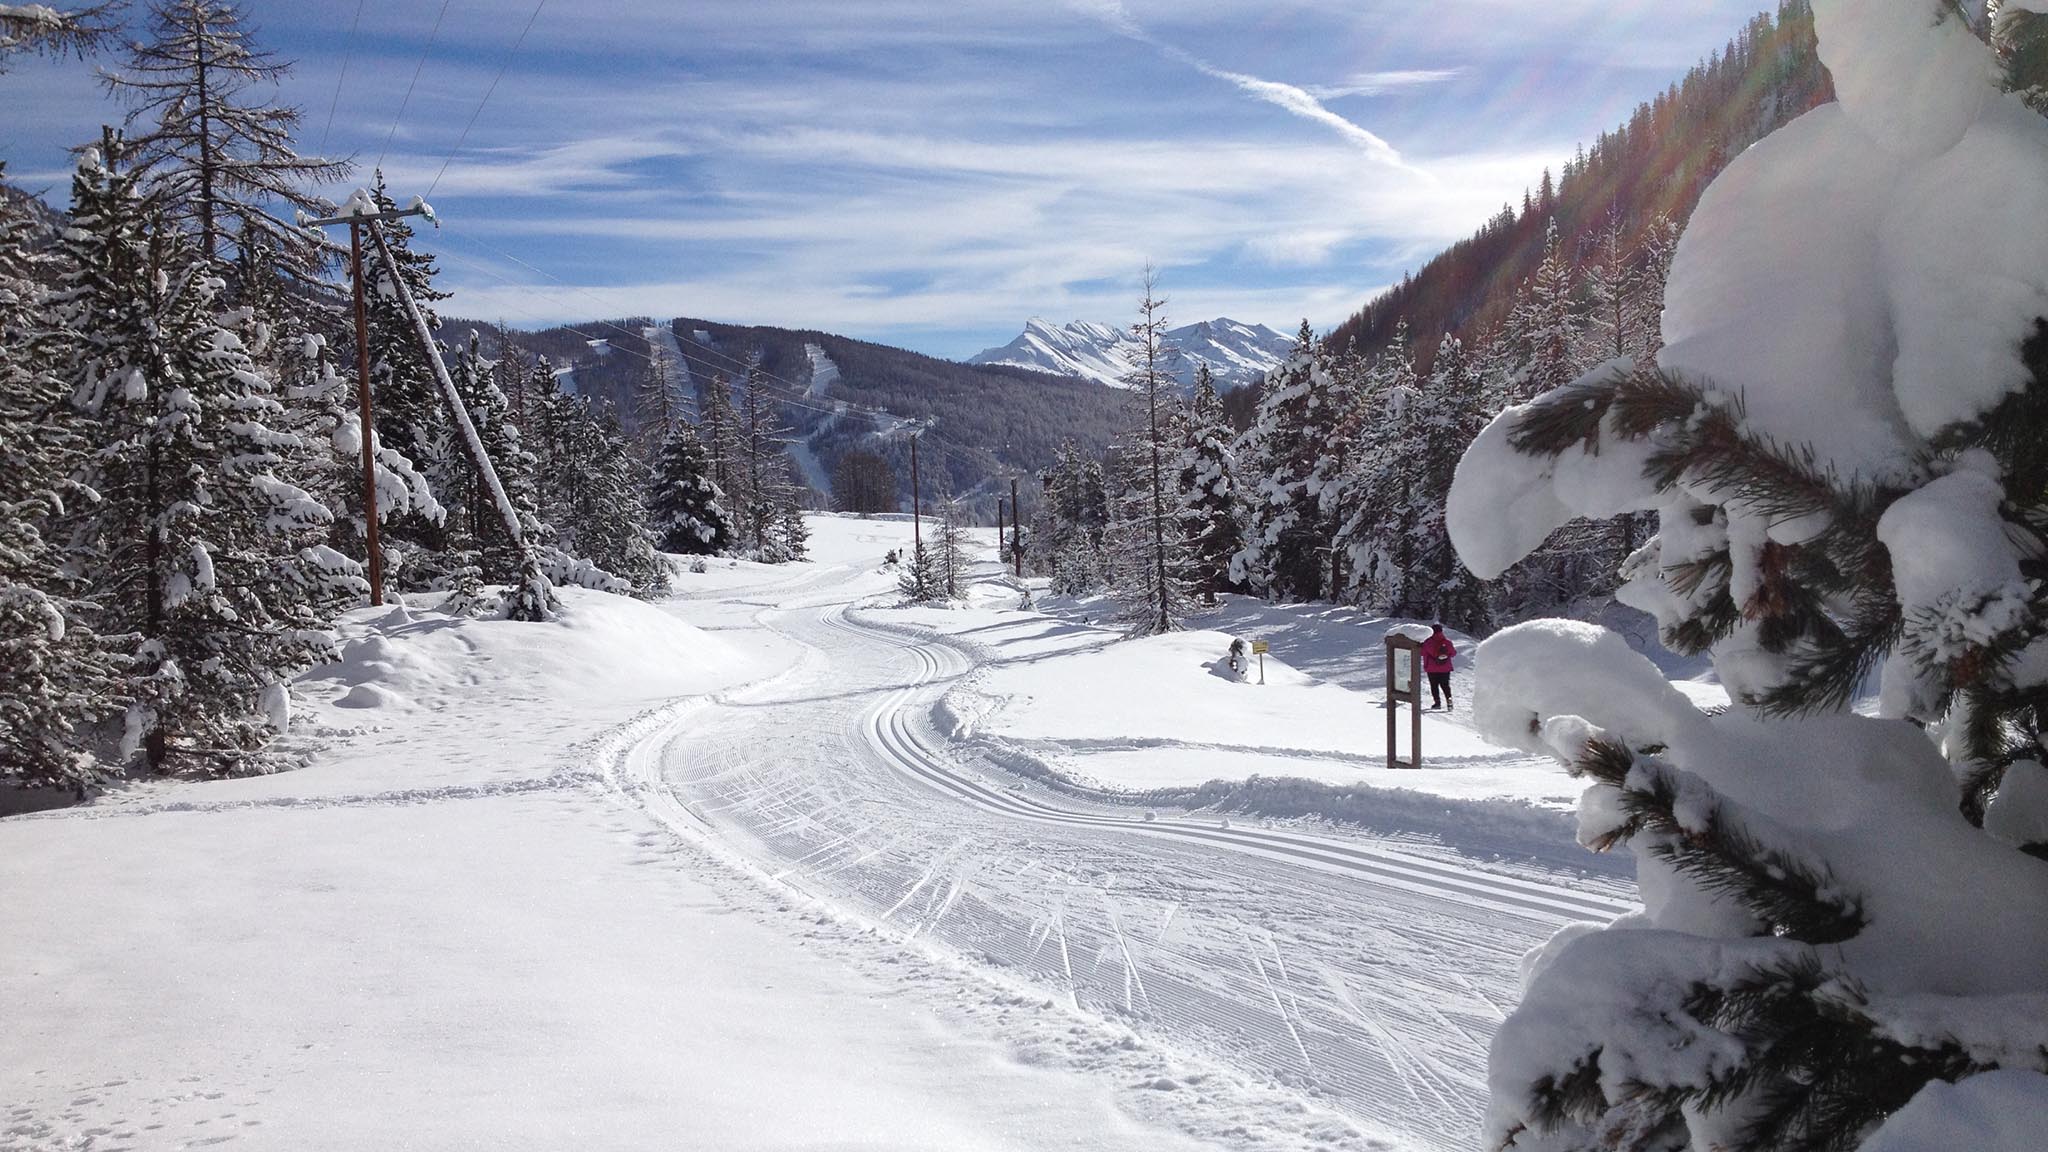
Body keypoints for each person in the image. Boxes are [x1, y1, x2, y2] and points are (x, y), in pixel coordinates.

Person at [1421, 624, 1457, 711]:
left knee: (1434, 686)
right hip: (1445, 668)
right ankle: (1449, 702)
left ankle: (1437, 703)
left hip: (1431, 668)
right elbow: (1453, 653)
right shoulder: (1447, 642)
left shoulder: (1427, 642)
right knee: (1445, 686)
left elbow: (1422, 653)